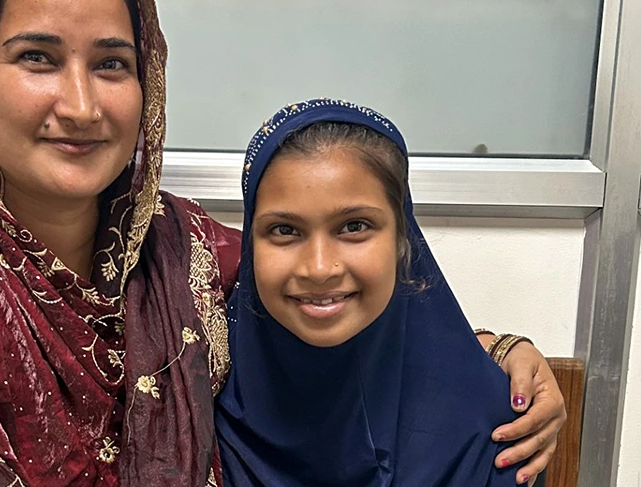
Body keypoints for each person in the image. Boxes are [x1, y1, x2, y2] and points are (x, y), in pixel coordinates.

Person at [0, 0, 564, 486]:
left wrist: (501, 355)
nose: (81, 104)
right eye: (37, 57)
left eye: (111, 64)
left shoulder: (181, 250)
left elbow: (316, 295)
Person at [216, 99, 538, 486]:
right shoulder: (196, 396)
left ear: (402, 238)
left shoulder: (493, 428)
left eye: (354, 226)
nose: (319, 268)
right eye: (285, 230)